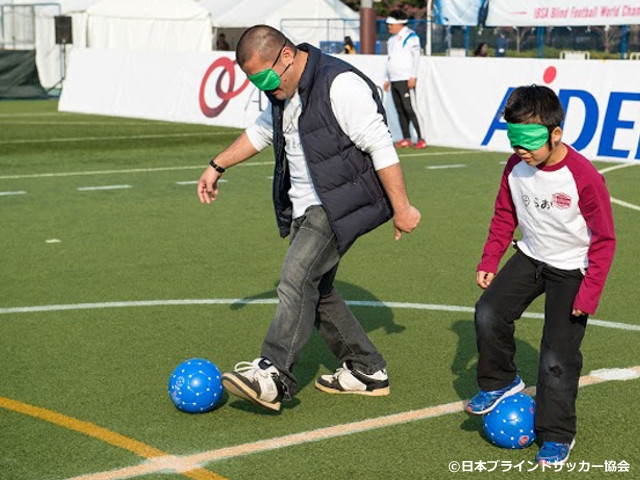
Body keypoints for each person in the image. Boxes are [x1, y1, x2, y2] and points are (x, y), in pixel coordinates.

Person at [197, 25, 421, 413]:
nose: (265, 87)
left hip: (337, 203)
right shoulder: (283, 91)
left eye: (265, 77)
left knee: (296, 278)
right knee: (317, 293)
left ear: (286, 55)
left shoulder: (340, 84)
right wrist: (217, 165)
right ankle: (367, 369)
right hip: (303, 205)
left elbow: (380, 144)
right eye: (256, 82)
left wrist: (402, 207)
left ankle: (274, 375)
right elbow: (261, 132)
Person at [466, 85, 616, 465]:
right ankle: (501, 382)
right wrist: (489, 260)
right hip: (531, 257)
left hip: (572, 270)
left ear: (555, 134)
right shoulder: (515, 167)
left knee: (556, 356)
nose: (521, 150)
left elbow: (604, 240)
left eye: (529, 142)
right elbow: (504, 215)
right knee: (489, 311)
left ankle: (557, 434)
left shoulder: (584, 178)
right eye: (514, 140)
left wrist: (589, 295)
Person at [383, 10, 426, 149]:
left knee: (410, 108)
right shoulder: (391, 40)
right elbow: (389, 59)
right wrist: (387, 78)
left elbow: (416, 57)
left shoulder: (411, 36)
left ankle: (421, 138)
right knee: (400, 110)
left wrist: (413, 76)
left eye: (391, 25)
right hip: (394, 79)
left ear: (399, 24)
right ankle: (406, 138)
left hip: (405, 78)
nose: (389, 27)